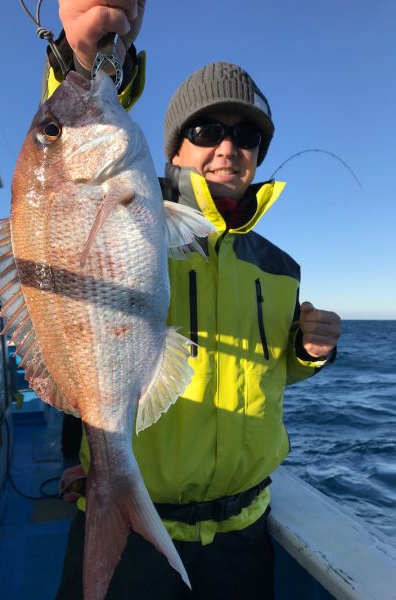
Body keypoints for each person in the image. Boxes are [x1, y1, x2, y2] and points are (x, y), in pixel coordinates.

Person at [48, 2, 342, 598]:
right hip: (134, 533)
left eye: (247, 135)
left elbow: (266, 373)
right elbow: (75, 147)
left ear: (259, 153)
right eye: (207, 131)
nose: (228, 148)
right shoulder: (140, 213)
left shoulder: (280, 266)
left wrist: (308, 353)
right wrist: (86, 54)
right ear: (174, 148)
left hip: (243, 534)